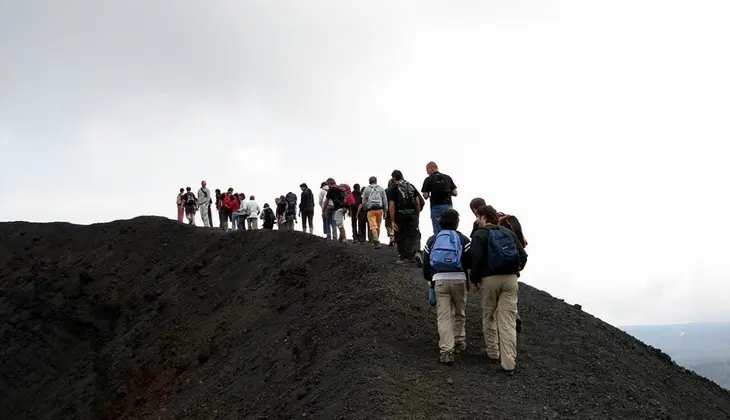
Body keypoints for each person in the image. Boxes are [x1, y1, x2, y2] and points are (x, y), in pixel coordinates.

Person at [470, 204, 528, 375]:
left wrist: (475, 278)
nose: (477, 220)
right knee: (508, 321)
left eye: (478, 217)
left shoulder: (480, 234)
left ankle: (493, 353)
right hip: (510, 279)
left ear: (484, 217)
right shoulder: (508, 232)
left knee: (489, 315)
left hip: (489, 279)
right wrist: (515, 272)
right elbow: (523, 255)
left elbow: (477, 259)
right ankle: (509, 363)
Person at [422, 208, 472, 365]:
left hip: (440, 280)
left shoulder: (433, 239)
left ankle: (446, 351)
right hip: (459, 279)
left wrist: (431, 279)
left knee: (443, 316)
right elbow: (470, 261)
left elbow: (425, 265)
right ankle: (459, 340)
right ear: (456, 221)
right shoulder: (463, 239)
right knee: (459, 312)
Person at [469, 197, 525, 333]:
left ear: (475, 210)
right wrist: (518, 267)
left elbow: (475, 250)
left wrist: (474, 277)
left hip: (491, 271)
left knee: (490, 307)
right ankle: (512, 316)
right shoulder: (507, 219)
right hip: (511, 265)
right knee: (509, 299)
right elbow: (521, 247)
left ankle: (493, 345)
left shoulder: (479, 225)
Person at [386, 170, 421, 263]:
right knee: (412, 234)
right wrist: (417, 215)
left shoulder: (393, 189)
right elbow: (417, 202)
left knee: (400, 235)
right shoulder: (411, 186)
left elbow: (392, 205)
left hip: (400, 215)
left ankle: (403, 257)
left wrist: (392, 221)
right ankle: (413, 254)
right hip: (412, 214)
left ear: (393, 178)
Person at [421, 161, 458, 235]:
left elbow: (425, 196)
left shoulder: (428, 179)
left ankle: (439, 242)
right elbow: (455, 193)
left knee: (438, 229)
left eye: (427, 170)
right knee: (450, 227)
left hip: (436, 206)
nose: (427, 173)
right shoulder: (447, 177)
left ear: (431, 168)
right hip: (448, 206)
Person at [360, 176, 388, 249]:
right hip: (380, 210)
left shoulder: (367, 189)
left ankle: (376, 241)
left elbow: (363, 201)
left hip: (370, 210)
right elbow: (385, 200)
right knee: (378, 226)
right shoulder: (381, 189)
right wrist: (385, 210)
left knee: (373, 226)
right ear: (376, 181)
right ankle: (376, 240)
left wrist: (366, 207)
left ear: (369, 181)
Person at [322, 178, 348, 243]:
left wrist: (323, 210)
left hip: (338, 208)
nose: (328, 186)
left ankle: (344, 239)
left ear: (330, 183)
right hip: (345, 207)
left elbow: (326, 201)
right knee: (340, 222)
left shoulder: (331, 190)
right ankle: (341, 237)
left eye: (328, 184)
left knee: (339, 223)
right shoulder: (340, 188)